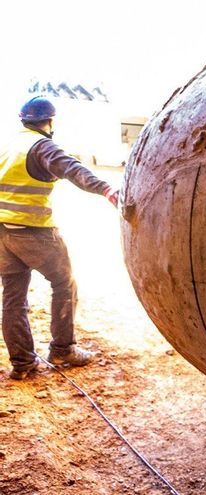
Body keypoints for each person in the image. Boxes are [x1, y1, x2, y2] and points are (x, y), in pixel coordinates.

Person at [0, 96, 118, 380]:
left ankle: (24, 363)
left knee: (13, 299)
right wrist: (106, 189)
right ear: (49, 122)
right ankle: (63, 348)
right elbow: (71, 168)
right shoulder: (42, 146)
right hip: (34, 232)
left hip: (2, 234)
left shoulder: (8, 145)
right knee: (64, 283)